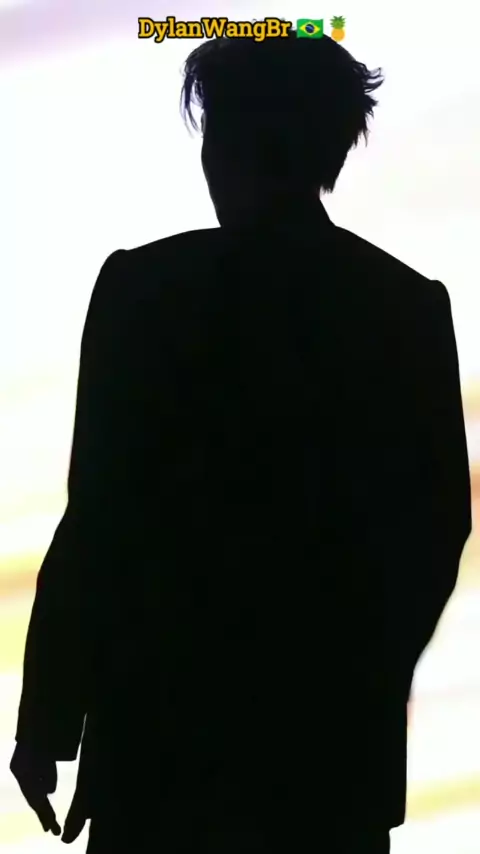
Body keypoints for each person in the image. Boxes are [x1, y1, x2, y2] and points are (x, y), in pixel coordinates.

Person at [10, 29, 471, 854]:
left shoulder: (144, 290)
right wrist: (366, 678)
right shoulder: (406, 307)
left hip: (159, 748)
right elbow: (438, 526)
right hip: (330, 761)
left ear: (226, 145)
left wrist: (50, 717)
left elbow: (99, 520)